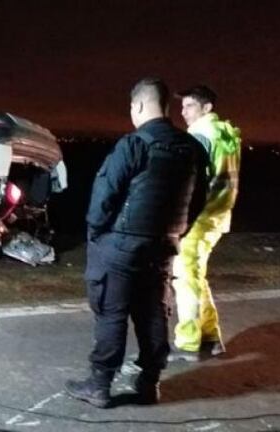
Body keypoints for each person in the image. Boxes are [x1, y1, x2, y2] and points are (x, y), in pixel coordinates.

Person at [64, 78, 208, 408]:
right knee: (153, 311)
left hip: (121, 245)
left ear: (139, 106)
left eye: (132, 108)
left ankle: (100, 385)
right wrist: (177, 232)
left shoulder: (135, 144)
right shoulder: (192, 149)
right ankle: (149, 384)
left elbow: (103, 198)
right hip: (163, 245)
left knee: (112, 312)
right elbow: (198, 199)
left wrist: (97, 233)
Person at [170, 85, 242, 361]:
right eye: (183, 106)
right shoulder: (226, 133)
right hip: (220, 215)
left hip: (199, 217)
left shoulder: (201, 135)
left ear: (206, 108)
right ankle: (211, 337)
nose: (183, 112)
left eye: (189, 106)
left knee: (185, 278)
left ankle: (188, 342)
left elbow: (190, 180)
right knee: (196, 275)